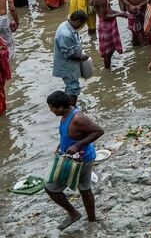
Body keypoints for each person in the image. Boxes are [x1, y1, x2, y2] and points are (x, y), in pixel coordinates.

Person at [44, 90, 102, 229]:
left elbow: (99, 131)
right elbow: (67, 134)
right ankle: (91, 220)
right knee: (85, 189)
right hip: (77, 157)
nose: (50, 110)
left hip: (81, 160)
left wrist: (78, 145)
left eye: (52, 107)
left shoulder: (77, 118)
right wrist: (60, 146)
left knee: (51, 188)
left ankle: (74, 214)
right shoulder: (65, 114)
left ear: (61, 107)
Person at [52, 10, 88, 106]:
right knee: (73, 88)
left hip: (70, 65)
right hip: (67, 66)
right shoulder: (65, 34)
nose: (81, 26)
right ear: (78, 22)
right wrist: (82, 58)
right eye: (82, 24)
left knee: (70, 87)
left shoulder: (67, 25)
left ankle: (69, 108)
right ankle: (71, 111)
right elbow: (69, 55)